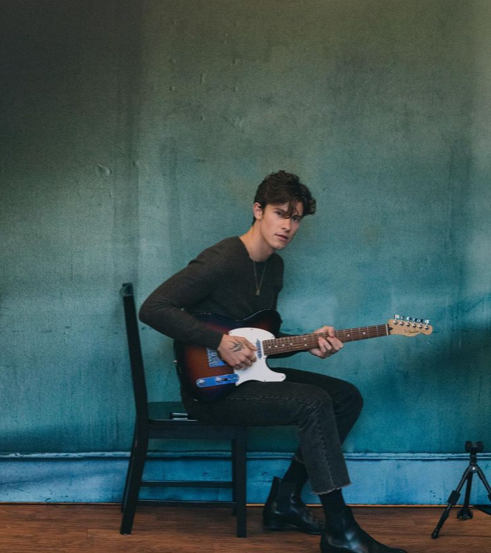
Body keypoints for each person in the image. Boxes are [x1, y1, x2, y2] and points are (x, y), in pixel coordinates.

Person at [139, 170, 407, 553]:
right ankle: (340, 529)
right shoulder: (222, 259)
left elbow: (261, 342)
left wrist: (309, 343)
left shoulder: (274, 267)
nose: (288, 226)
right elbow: (153, 308)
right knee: (313, 402)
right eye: (281, 214)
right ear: (258, 210)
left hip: (249, 378)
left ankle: (286, 499)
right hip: (211, 392)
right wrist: (219, 341)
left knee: (346, 397)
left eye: (296, 218)